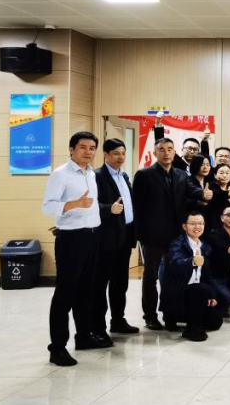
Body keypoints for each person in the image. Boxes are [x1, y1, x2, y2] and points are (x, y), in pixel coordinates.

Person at [42, 132, 105, 367]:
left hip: (92, 236)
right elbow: (47, 207)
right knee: (65, 293)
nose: (88, 152)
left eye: (92, 148)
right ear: (71, 149)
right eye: (83, 147)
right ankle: (57, 348)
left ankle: (84, 336)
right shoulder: (60, 174)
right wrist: (74, 204)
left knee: (86, 291)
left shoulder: (91, 173)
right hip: (72, 239)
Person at [133, 137, 189, 331]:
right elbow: (137, 207)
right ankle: (150, 316)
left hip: (175, 235)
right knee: (151, 276)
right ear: (155, 153)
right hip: (152, 236)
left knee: (172, 276)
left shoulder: (181, 175)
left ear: (175, 152)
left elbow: (187, 199)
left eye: (170, 149)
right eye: (162, 149)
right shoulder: (144, 174)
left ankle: (170, 314)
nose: (166, 153)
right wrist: (139, 235)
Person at [93, 138, 138, 339]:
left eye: (123, 153)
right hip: (106, 239)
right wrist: (108, 209)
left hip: (124, 236)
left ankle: (118, 321)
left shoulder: (124, 175)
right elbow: (91, 204)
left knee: (120, 283)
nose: (120, 157)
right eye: (116, 153)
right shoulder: (97, 176)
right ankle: (98, 328)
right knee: (100, 284)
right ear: (106, 155)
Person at [160, 212, 227, 342]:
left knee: (216, 322)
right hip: (179, 293)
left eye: (200, 223)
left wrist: (212, 295)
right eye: (193, 223)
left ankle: (188, 317)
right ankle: (190, 329)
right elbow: (175, 264)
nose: (197, 227)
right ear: (184, 226)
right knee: (200, 289)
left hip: (197, 295)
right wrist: (192, 261)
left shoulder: (204, 246)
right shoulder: (177, 244)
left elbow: (207, 276)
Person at [204, 204, 230, 306]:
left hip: (229, 275)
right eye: (229, 215)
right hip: (214, 277)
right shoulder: (213, 236)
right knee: (228, 298)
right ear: (222, 218)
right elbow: (220, 246)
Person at [206, 163, 230, 232]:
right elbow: (219, 195)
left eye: (227, 173)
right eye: (221, 173)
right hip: (216, 225)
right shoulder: (212, 187)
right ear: (215, 175)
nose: (225, 175)